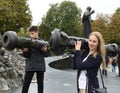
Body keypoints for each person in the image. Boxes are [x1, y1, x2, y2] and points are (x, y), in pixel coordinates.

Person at [21, 26, 49, 93]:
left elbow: (47, 55)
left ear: (37, 33)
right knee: (26, 84)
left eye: (32, 33)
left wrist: (45, 51)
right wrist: (25, 51)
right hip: (30, 66)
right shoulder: (27, 42)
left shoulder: (43, 42)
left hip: (40, 66)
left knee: (40, 85)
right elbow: (26, 56)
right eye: (30, 34)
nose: (31, 35)